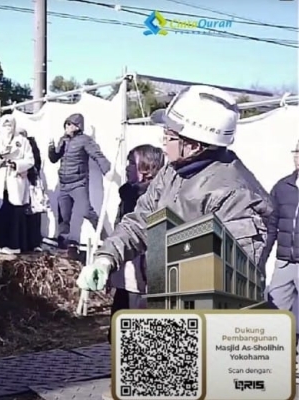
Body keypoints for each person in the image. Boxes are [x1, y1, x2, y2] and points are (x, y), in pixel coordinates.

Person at [76, 87, 272, 400]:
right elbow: (140, 222)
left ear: (193, 144)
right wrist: (106, 257)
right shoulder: (173, 173)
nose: (162, 142)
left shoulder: (235, 195)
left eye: (168, 134)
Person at [106, 144, 165, 342]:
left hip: (143, 276)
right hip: (125, 272)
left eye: (132, 163)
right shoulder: (127, 195)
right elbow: (120, 228)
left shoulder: (159, 197)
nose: (127, 167)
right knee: (117, 330)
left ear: (147, 168)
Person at [48, 113, 111, 259]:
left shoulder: (85, 140)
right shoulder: (62, 140)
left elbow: (97, 155)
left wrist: (107, 170)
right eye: (66, 124)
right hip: (63, 184)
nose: (68, 127)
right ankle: (63, 246)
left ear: (78, 126)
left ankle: (107, 239)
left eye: (71, 124)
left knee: (86, 211)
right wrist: (52, 148)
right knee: (64, 216)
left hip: (78, 183)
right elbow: (54, 159)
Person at [262, 139, 299, 337]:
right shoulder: (282, 187)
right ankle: (278, 357)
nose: (298, 157)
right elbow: (271, 225)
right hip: (284, 262)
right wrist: (262, 258)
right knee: (275, 311)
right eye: (296, 152)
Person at [0, 115, 36, 254]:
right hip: (0, 182)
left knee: (15, 214)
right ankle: (0, 244)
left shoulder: (23, 141)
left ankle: (14, 245)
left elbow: (30, 160)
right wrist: (0, 157)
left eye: (10, 125)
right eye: (5, 125)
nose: (8, 128)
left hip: (15, 180)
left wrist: (16, 164)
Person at [20, 129, 44, 252]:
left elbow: (36, 163)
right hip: (19, 182)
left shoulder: (31, 146)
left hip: (31, 182)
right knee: (21, 213)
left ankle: (35, 242)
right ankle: (24, 242)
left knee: (34, 212)